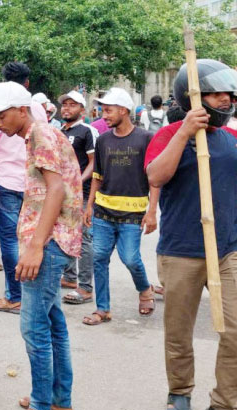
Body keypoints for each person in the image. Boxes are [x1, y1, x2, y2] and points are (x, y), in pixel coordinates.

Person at [145, 59, 237, 410]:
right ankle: (180, 392)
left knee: (234, 333)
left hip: (229, 250)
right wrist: (184, 132)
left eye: (228, 93)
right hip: (181, 251)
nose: (226, 100)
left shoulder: (232, 139)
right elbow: (156, 176)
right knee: (179, 334)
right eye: (215, 94)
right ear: (192, 98)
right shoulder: (168, 136)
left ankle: (225, 401)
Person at [0, 81, 81, 410]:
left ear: (21, 111)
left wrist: (36, 245)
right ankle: (57, 398)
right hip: (53, 237)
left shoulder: (40, 133)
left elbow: (55, 190)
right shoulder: (40, 133)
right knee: (53, 323)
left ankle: (44, 401)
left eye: (1, 116)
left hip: (50, 240)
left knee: (34, 328)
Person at [82, 87, 158, 326]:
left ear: (124, 111)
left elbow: (155, 177)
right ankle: (102, 309)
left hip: (132, 214)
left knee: (131, 258)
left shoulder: (146, 138)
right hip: (103, 212)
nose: (104, 115)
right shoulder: (103, 140)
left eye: (108, 110)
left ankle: (145, 289)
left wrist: (152, 211)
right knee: (99, 257)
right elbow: (97, 175)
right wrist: (90, 206)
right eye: (103, 111)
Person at [0, 61, 48, 314]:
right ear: (26, 82)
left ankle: (14, 296)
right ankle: (31, 293)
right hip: (35, 181)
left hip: (7, 180)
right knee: (33, 237)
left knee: (9, 239)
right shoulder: (38, 108)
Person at [57, 90, 96, 304]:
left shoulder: (86, 131)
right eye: (65, 105)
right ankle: (70, 277)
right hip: (62, 193)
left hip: (82, 193)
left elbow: (93, 161)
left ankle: (85, 286)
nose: (67, 108)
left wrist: (78, 181)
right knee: (67, 235)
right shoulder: (60, 131)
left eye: (72, 105)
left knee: (84, 239)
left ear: (81, 109)